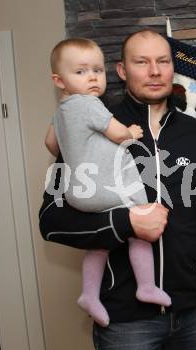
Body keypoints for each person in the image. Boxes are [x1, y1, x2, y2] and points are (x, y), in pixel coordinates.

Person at [39, 30, 196, 350]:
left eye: (163, 61)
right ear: (122, 71)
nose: (154, 71)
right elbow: (51, 220)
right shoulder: (91, 126)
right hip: (126, 323)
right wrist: (125, 223)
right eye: (141, 62)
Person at [44, 37, 172, 328]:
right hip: (104, 188)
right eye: (81, 72)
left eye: (96, 71)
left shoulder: (60, 112)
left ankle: (89, 294)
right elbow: (118, 135)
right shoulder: (91, 105)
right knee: (142, 218)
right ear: (59, 80)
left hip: (79, 191)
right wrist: (131, 132)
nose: (92, 77)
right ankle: (147, 286)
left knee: (98, 246)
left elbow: (51, 144)